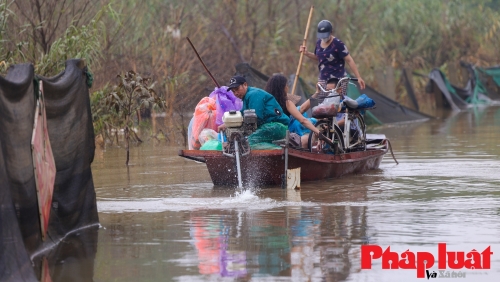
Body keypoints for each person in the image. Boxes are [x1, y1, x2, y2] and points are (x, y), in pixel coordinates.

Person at [219, 75, 290, 145]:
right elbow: (240, 115)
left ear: (245, 85)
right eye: (233, 91)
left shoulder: (254, 94)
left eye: (237, 89)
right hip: (269, 126)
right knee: (238, 140)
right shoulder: (246, 97)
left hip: (276, 127)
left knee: (246, 142)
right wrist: (227, 124)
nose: (236, 93)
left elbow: (255, 118)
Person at [299, 20, 366, 90]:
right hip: (323, 78)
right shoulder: (318, 43)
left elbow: (349, 60)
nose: (324, 38)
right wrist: (307, 53)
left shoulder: (338, 44)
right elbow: (319, 58)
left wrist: (358, 77)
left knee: (336, 99)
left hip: (337, 79)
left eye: (325, 35)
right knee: (323, 100)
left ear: (331, 32)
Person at [264, 74, 320, 148]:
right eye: (286, 85)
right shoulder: (287, 103)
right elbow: (303, 119)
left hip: (268, 136)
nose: (287, 87)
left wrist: (316, 93)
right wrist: (318, 132)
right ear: (282, 88)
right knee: (308, 136)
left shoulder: (266, 103)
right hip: (284, 137)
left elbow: (302, 109)